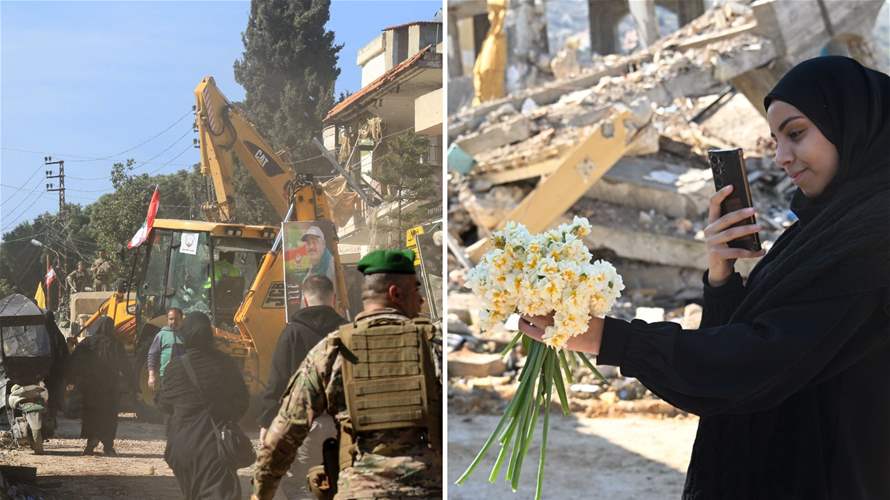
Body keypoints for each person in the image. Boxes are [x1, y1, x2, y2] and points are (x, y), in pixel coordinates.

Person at [519, 56, 890, 499]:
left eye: (796, 133)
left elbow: (758, 363)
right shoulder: (822, 227)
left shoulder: (874, 236)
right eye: (774, 139)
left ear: (853, 122)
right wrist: (722, 276)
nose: (782, 157)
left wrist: (611, 339)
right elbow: (743, 346)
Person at [252, 249, 442, 500]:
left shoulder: (331, 350)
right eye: (416, 291)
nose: (421, 301)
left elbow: (284, 434)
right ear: (396, 293)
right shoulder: (434, 343)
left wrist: (261, 494)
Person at [258, 275, 347, 499]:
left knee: (303, 484)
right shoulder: (347, 332)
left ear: (305, 301)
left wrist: (266, 423)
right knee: (338, 483)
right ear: (333, 299)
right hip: (341, 426)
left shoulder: (292, 333)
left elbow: (277, 381)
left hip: (303, 426)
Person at [158, 311, 248, 500]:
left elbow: (163, 404)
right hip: (214, 446)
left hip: (181, 448)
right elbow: (242, 401)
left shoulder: (174, 367)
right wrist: (226, 417)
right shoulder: (225, 363)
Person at [67, 315, 132, 455]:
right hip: (110, 388)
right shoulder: (116, 345)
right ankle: (108, 446)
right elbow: (126, 367)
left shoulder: (87, 343)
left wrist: (71, 380)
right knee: (109, 415)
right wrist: (133, 385)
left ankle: (91, 444)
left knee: (91, 414)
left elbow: (75, 363)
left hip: (91, 388)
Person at [147, 307, 184, 391]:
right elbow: (152, 355)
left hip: (182, 377)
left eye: (176, 319)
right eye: (171, 319)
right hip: (166, 376)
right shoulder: (161, 335)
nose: (173, 322)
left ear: (181, 319)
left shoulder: (185, 335)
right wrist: (151, 376)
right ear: (167, 320)